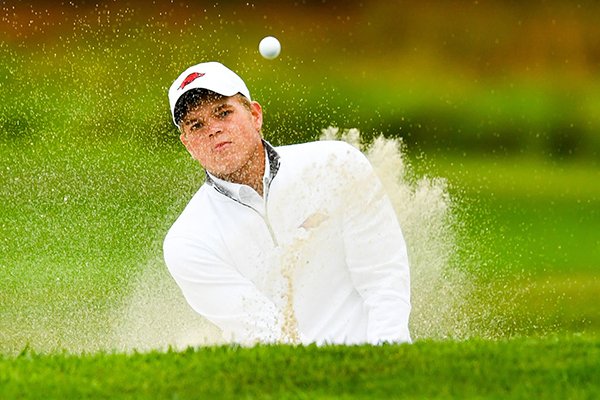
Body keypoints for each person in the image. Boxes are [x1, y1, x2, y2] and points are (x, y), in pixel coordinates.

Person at [163, 61, 411, 345]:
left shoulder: (337, 164)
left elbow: (383, 278)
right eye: (196, 125)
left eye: (224, 113)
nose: (213, 130)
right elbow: (265, 330)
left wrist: (387, 355)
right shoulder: (188, 241)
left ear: (255, 115)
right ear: (188, 144)